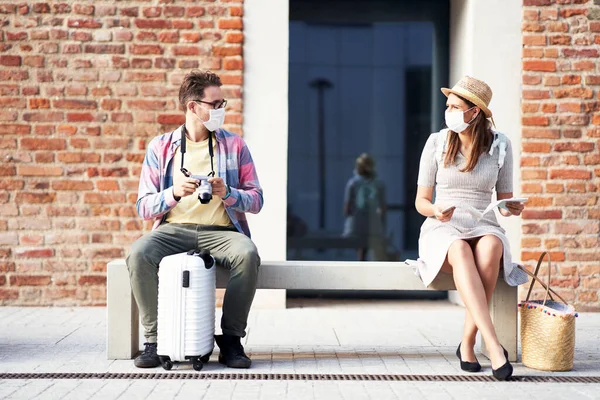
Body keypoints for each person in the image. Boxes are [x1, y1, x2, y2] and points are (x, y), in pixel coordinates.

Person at [126, 70, 263, 369]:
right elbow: (144, 207)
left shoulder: (235, 145)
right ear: (192, 106)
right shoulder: (161, 147)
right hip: (174, 229)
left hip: (222, 231)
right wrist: (173, 193)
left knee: (248, 254)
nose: (221, 110)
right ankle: (155, 339)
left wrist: (228, 193)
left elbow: (257, 200)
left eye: (222, 103)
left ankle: (230, 340)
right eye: (215, 104)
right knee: (138, 254)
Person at [414, 76, 528, 381]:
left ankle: (467, 343)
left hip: (483, 223)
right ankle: (493, 346)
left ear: (474, 112)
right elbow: (421, 202)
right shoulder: (437, 142)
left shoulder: (500, 145)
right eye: (448, 105)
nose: (448, 111)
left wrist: (512, 207)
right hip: (444, 227)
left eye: (455, 106)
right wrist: (436, 209)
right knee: (460, 248)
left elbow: (504, 201)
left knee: (493, 246)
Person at [342, 153, 387, 261]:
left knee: (361, 249)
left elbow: (347, 209)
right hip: (373, 225)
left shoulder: (352, 183)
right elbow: (383, 208)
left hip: (356, 226)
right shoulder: (379, 184)